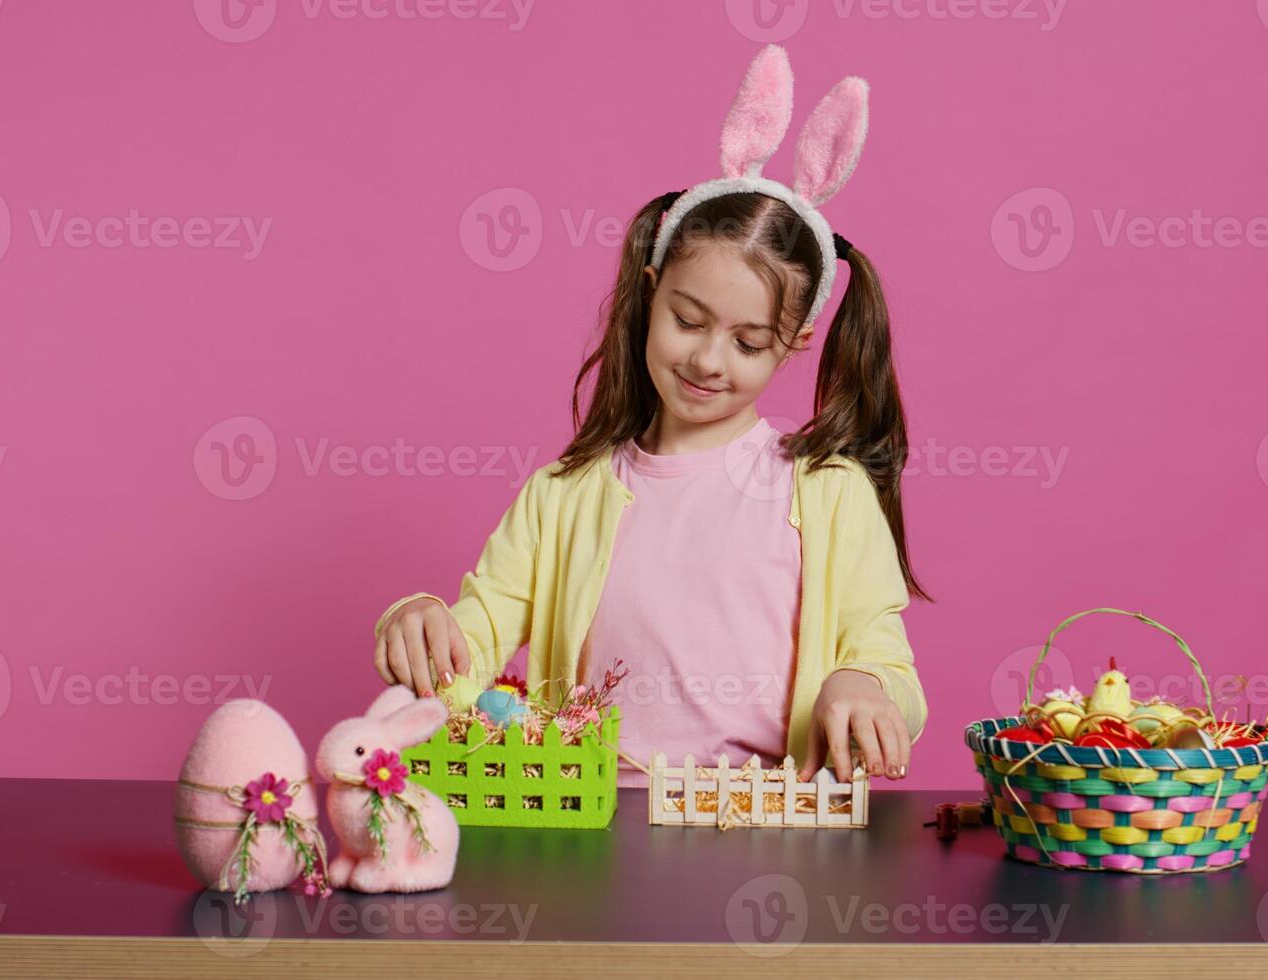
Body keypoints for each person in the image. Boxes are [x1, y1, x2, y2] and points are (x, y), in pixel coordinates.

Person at [373, 45, 928, 786]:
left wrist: (863, 684)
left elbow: (886, 658)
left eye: (747, 342)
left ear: (793, 346)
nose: (708, 360)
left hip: (765, 835)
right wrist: (418, 619)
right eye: (687, 320)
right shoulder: (563, 493)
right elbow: (467, 649)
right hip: (591, 830)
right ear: (650, 292)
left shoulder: (825, 490)